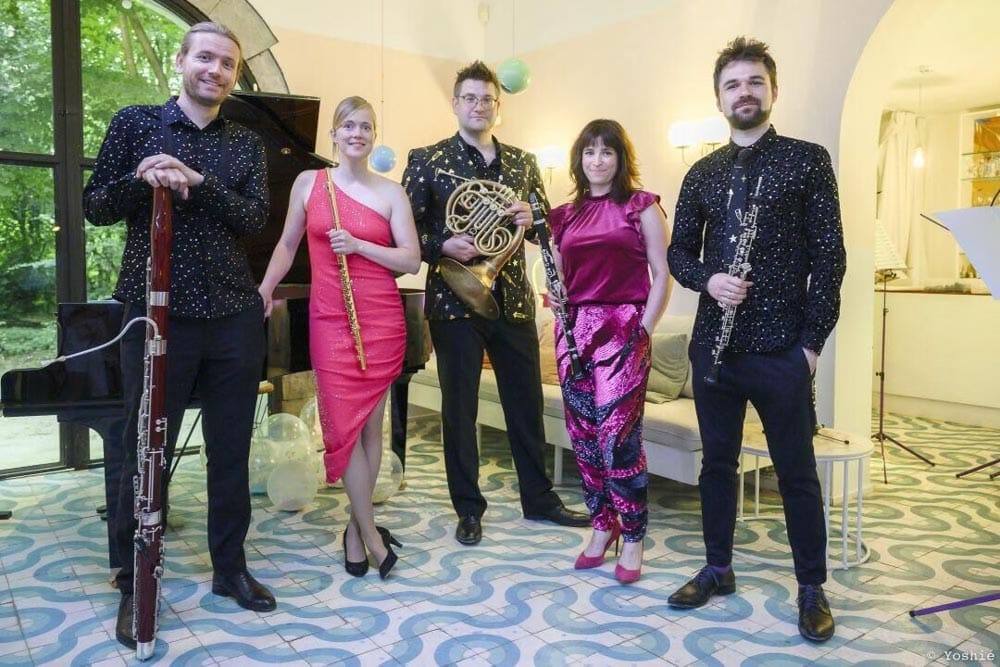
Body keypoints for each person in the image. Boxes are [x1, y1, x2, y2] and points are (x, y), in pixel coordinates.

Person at [83, 22, 276, 649]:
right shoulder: (136, 123)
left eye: (227, 63)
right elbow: (95, 205)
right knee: (144, 449)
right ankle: (132, 579)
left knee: (231, 448)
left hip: (232, 314)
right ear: (181, 60)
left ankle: (230, 568)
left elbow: (255, 218)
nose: (215, 70)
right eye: (205, 58)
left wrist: (196, 180)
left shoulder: (245, 142)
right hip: (156, 312)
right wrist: (141, 177)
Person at [666, 37, 846, 642]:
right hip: (714, 347)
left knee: (796, 473)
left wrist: (810, 346)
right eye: (732, 85)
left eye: (754, 82)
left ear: (773, 90)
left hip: (781, 349)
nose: (743, 93)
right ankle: (718, 568)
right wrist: (708, 279)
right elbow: (678, 254)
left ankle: (811, 586)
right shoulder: (702, 172)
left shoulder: (806, 159)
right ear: (718, 98)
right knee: (716, 466)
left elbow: (830, 259)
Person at [402, 61, 589, 546]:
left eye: (487, 99)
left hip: (513, 301)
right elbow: (403, 230)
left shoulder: (524, 162)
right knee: (459, 410)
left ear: (497, 107)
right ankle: (469, 508)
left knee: (525, 405)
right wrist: (441, 244)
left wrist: (536, 217)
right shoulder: (427, 159)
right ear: (455, 104)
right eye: (470, 98)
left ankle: (539, 499)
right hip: (454, 300)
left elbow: (546, 231)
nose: (479, 106)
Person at [259, 96, 420, 579]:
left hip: (381, 319)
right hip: (330, 319)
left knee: (371, 428)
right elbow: (288, 243)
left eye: (366, 126)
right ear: (333, 134)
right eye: (348, 125)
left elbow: (411, 260)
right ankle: (372, 535)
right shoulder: (310, 183)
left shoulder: (392, 193)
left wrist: (361, 245)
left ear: (374, 136)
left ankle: (356, 530)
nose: (357, 133)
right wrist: (265, 289)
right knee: (342, 428)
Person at [546, 120, 671, 584]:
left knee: (618, 437)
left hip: (622, 328)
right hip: (573, 331)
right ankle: (602, 524)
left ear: (621, 158)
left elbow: (662, 273)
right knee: (582, 434)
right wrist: (556, 297)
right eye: (589, 152)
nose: (597, 161)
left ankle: (633, 534)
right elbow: (560, 277)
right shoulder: (563, 215)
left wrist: (643, 328)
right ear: (578, 160)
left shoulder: (641, 206)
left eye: (606, 152)